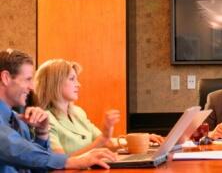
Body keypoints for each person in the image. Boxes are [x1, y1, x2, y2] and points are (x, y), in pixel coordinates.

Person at [0, 49, 116, 172]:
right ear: (6, 78)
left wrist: (42, 133)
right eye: (28, 79)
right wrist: (75, 161)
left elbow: (37, 168)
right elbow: (15, 149)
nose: (32, 87)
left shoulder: (20, 121)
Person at [33, 59, 163, 155]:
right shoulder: (44, 119)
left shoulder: (78, 113)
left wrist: (141, 139)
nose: (79, 85)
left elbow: (106, 143)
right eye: (72, 79)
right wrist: (100, 142)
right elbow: (59, 162)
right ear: (54, 83)